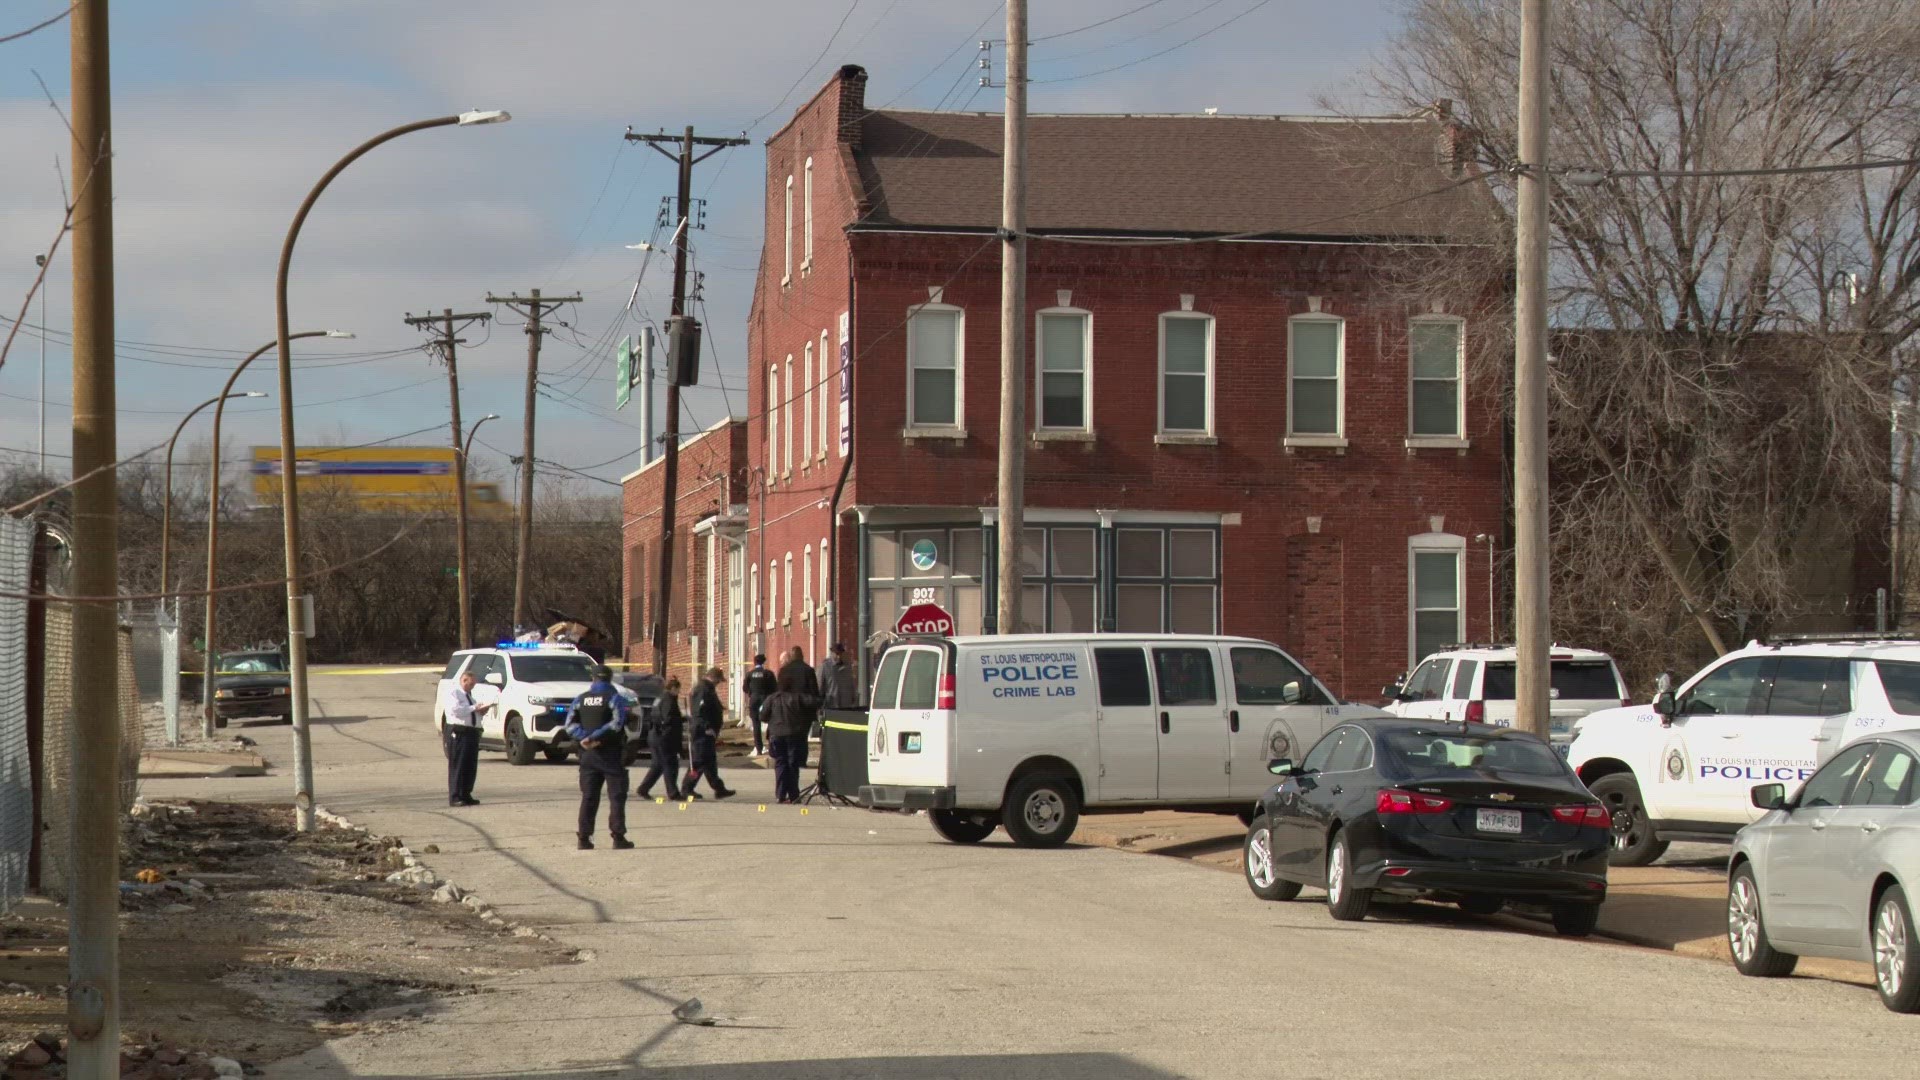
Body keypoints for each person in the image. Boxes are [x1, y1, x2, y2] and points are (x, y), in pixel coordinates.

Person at [564, 666, 634, 851]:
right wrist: (596, 736)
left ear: (593, 679)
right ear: (610, 679)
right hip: (610, 753)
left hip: (587, 755)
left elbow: (569, 725)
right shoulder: (614, 698)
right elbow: (617, 723)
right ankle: (618, 837)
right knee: (616, 796)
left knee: (588, 797)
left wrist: (585, 737)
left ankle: (584, 838)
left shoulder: (581, 699)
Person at [765, 665, 820, 803]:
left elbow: (762, 715)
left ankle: (780, 794)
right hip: (793, 734)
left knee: (780, 763)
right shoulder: (797, 698)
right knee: (792, 764)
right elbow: (814, 702)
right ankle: (794, 794)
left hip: (776, 734)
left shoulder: (772, 698)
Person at [681, 667, 736, 799]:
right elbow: (699, 712)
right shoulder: (703, 689)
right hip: (702, 732)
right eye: (718, 680)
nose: (718, 683)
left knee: (710, 762)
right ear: (713, 678)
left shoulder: (708, 689)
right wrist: (707, 727)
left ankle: (719, 788)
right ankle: (687, 788)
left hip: (708, 733)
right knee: (699, 761)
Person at [441, 670, 492, 807]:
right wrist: (474, 707)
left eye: (474, 684)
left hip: (471, 732)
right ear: (464, 681)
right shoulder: (454, 694)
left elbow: (470, 714)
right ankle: (455, 795)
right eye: (471, 684)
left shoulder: (470, 697)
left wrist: (481, 711)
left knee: (470, 765)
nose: (472, 687)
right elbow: (455, 711)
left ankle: (466, 794)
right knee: (458, 764)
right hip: (459, 732)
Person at [637, 676, 685, 801]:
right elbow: (668, 719)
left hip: (655, 735)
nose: (679, 692)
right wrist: (676, 725)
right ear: (673, 688)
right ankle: (673, 792)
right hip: (664, 737)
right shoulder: (669, 699)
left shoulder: (660, 698)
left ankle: (643, 789)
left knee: (658, 765)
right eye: (678, 689)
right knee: (670, 765)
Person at [742, 654, 777, 757]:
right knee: (771, 721)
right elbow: (774, 687)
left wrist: (751, 693)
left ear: (754, 662)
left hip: (753, 700)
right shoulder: (768, 674)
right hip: (766, 700)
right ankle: (772, 746)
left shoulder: (749, 674)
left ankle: (759, 748)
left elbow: (745, 688)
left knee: (756, 724)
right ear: (764, 662)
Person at [818, 642, 856, 709]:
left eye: (840, 654)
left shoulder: (847, 666)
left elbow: (851, 683)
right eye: (837, 654)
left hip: (846, 704)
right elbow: (820, 685)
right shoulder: (825, 666)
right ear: (832, 653)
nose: (839, 656)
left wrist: (853, 696)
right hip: (831, 704)